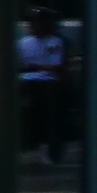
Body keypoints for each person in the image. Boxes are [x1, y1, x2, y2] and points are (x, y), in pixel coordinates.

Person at [17, 8, 68, 164]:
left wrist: (36, 67)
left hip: (46, 84)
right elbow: (16, 63)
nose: (35, 25)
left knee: (46, 120)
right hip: (25, 83)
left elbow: (56, 66)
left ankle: (46, 151)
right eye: (33, 22)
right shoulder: (22, 43)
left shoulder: (55, 42)